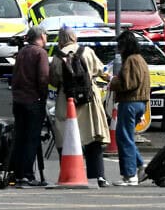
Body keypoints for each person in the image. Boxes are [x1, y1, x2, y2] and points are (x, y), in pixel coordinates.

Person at [49, 26, 111, 188]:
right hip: (88, 100)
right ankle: (98, 176)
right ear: (74, 37)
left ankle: (69, 174)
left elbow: (54, 81)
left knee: (65, 138)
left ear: (61, 40)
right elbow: (100, 70)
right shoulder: (87, 51)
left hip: (66, 100)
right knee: (93, 139)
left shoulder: (57, 57)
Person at [108, 30, 150, 186]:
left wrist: (112, 81)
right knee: (127, 137)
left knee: (123, 137)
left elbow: (128, 83)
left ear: (126, 45)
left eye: (120, 45)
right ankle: (140, 165)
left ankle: (130, 175)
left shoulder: (131, 60)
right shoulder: (140, 59)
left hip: (130, 102)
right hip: (139, 102)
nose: (118, 48)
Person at [10, 25, 49, 188]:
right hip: (33, 100)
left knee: (20, 137)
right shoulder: (40, 53)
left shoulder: (22, 52)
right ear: (40, 36)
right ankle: (27, 174)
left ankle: (18, 173)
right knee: (32, 138)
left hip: (18, 100)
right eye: (46, 36)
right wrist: (44, 96)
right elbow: (43, 77)